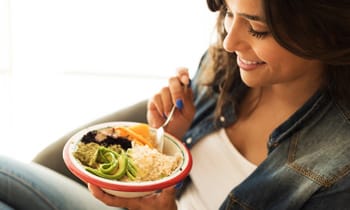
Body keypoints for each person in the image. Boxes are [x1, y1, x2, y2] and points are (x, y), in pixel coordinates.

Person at [2, 0, 350, 209]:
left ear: (326, 31)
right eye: (229, 11)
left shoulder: (339, 169)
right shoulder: (227, 68)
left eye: (257, 29)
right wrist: (170, 141)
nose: (230, 41)